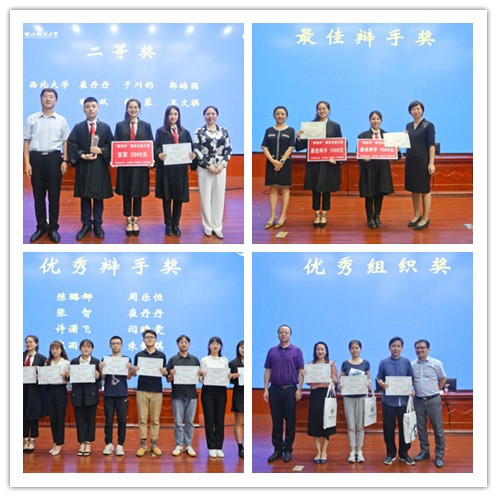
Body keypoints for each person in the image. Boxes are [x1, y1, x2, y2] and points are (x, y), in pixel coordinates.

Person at [23, 88, 70, 243]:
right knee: (38, 195)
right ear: (40, 99)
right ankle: (41, 226)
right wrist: (27, 163)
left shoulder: (61, 120)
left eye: (51, 97)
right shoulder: (32, 119)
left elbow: (65, 142)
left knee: (54, 195)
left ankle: (53, 228)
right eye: (45, 96)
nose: (48, 99)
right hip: (36, 159)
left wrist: (65, 161)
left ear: (56, 100)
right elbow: (27, 142)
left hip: (54, 159)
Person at [68, 96, 114, 241]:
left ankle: (98, 225)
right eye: (87, 107)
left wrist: (101, 151)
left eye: (93, 106)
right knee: (85, 197)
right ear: (83, 110)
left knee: (98, 197)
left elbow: (111, 146)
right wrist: (81, 155)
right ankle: (86, 224)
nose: (91, 109)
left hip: (99, 167)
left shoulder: (105, 127)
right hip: (84, 166)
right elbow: (71, 144)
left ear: (98, 108)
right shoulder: (78, 127)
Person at [295, 101, 343, 228]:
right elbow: (301, 146)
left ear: (328, 110)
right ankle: (317, 214)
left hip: (328, 163)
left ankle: (324, 214)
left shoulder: (335, 126)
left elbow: (340, 144)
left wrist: (336, 159)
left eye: (324, 108)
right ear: (317, 111)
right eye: (319, 109)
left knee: (327, 190)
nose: (322, 111)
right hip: (314, 163)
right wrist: (299, 137)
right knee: (315, 189)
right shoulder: (311, 126)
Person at [263, 324, 304, 463]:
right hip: (274, 390)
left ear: (290, 334)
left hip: (291, 390)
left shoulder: (297, 351)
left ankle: (288, 449)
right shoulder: (272, 351)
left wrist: (299, 389)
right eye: (281, 332)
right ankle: (277, 449)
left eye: (286, 332)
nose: (283, 334)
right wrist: (265, 389)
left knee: (290, 422)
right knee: (276, 421)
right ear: (278, 334)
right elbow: (268, 370)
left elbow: (301, 371)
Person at [113, 98, 154, 236]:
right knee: (126, 192)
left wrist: (150, 160)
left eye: (135, 107)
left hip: (140, 167)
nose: (133, 110)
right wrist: (115, 159)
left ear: (139, 109)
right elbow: (116, 143)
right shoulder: (120, 125)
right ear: (127, 109)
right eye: (130, 107)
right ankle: (127, 219)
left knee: (138, 193)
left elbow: (151, 143)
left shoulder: (146, 126)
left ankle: (135, 219)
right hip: (125, 167)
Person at [154, 105, 196, 237]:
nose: (173, 117)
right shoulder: (160, 131)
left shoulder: (185, 132)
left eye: (175, 114)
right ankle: (168, 224)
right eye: (170, 114)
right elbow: (156, 147)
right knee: (167, 198)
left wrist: (192, 155)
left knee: (178, 198)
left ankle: (176, 224)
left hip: (180, 171)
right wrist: (159, 154)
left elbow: (191, 149)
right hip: (166, 171)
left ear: (178, 116)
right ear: (167, 116)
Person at [193, 105, 232, 239]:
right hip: (205, 168)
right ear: (204, 116)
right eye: (208, 114)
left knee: (219, 197)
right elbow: (196, 150)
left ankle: (217, 226)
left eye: (213, 113)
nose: (210, 116)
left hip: (220, 168)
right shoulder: (199, 131)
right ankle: (208, 226)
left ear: (217, 115)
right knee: (205, 197)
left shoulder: (223, 131)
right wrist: (208, 165)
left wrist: (222, 165)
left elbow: (228, 149)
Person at [376, 336, 415, 466]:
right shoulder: (383, 362)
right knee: (388, 428)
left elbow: (411, 379)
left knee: (405, 428)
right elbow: (379, 378)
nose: (396, 348)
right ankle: (390, 454)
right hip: (388, 401)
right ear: (389, 347)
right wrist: (382, 383)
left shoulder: (406, 362)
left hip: (404, 402)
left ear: (402, 348)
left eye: (398, 346)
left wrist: (411, 390)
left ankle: (404, 454)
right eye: (393, 346)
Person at [357, 111, 397, 229]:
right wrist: (363, 158)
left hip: (382, 169)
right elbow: (359, 155)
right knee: (369, 195)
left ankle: (377, 216)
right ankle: (370, 218)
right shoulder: (363, 136)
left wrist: (397, 150)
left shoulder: (387, 136)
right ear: (370, 120)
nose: (376, 121)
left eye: (378, 119)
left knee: (380, 194)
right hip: (369, 169)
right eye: (373, 119)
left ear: (381, 120)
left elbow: (395, 157)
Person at [411, 339, 447, 468]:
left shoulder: (436, 363)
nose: (419, 350)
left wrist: (435, 390)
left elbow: (443, 378)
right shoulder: (412, 365)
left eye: (422, 347)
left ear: (428, 349)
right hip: (418, 400)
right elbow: (411, 381)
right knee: (421, 429)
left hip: (433, 400)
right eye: (417, 348)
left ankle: (439, 455)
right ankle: (424, 451)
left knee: (438, 429)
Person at [132, 329, 167, 457]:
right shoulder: (139, 355)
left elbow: (165, 373)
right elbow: (134, 374)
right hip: (142, 390)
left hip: (157, 391)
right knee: (142, 419)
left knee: (155, 420)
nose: (149, 339)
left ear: (155, 339)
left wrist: (165, 372)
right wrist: (134, 370)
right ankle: (143, 445)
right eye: (147, 337)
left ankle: (154, 445)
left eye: (151, 337)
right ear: (144, 340)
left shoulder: (161, 355)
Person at [166, 334, 201, 458]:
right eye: (181, 342)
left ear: (189, 344)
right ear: (177, 344)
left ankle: (189, 445)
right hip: (177, 394)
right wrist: (171, 374)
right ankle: (179, 445)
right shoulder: (172, 360)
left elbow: (199, 379)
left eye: (186, 342)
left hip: (192, 394)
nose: (183, 344)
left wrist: (200, 374)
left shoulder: (195, 360)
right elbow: (168, 379)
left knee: (190, 422)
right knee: (178, 422)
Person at [261, 106, 295, 230]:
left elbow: (291, 147)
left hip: (284, 164)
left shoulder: (290, 130)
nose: (280, 116)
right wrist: (273, 161)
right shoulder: (269, 130)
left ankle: (283, 215)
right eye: (277, 114)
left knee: (285, 188)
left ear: (286, 116)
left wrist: (281, 161)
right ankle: (272, 215)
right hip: (271, 163)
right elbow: (264, 147)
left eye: (282, 114)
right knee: (273, 188)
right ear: (274, 115)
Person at [404, 100, 436, 230]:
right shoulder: (409, 125)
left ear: (422, 110)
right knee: (414, 189)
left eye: (418, 108)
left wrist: (431, 163)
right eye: (413, 109)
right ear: (410, 112)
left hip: (423, 162)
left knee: (424, 190)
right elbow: (403, 140)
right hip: (411, 161)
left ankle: (425, 217)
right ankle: (417, 215)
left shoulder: (428, 125)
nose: (416, 111)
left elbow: (431, 145)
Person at [305, 341, 338, 464]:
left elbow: (336, 380)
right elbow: (308, 382)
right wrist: (307, 376)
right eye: (318, 349)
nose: (320, 352)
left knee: (326, 423)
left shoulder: (331, 364)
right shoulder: (311, 365)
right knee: (316, 423)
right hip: (315, 395)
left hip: (327, 395)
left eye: (322, 349)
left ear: (326, 351)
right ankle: (318, 452)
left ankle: (324, 451)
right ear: (315, 351)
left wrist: (333, 379)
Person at [100, 336, 132, 456]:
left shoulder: (126, 359)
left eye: (118, 343)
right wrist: (101, 368)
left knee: (122, 420)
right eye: (113, 343)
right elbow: (103, 378)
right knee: (108, 420)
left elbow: (128, 377)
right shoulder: (106, 359)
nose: (115, 345)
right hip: (109, 393)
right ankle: (108, 443)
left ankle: (120, 444)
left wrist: (129, 369)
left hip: (122, 393)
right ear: (110, 346)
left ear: (121, 345)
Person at [340, 339, 371, 463]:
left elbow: (368, 380)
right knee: (351, 426)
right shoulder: (345, 364)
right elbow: (340, 380)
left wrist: (368, 383)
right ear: (349, 350)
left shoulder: (366, 363)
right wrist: (340, 385)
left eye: (357, 348)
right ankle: (352, 451)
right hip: (348, 397)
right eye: (352, 348)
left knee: (360, 426)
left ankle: (360, 450)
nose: (355, 350)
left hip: (362, 397)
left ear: (360, 349)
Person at [68, 339, 101, 456]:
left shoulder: (96, 361)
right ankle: (81, 442)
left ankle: (88, 443)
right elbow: (71, 379)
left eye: (88, 346)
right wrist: (68, 375)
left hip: (91, 395)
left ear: (92, 349)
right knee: (79, 420)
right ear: (80, 348)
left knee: (91, 420)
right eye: (83, 346)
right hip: (78, 395)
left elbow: (100, 381)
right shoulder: (74, 361)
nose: (86, 349)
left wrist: (98, 376)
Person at [199, 336, 231, 458]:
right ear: (209, 346)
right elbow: (200, 379)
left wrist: (228, 376)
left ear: (221, 346)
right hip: (208, 390)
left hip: (221, 391)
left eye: (218, 343)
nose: (215, 346)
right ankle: (211, 446)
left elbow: (227, 377)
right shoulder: (204, 360)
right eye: (212, 343)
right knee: (209, 419)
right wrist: (202, 375)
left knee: (220, 419)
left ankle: (219, 446)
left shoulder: (224, 360)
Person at [44, 340, 70, 456]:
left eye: (57, 348)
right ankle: (55, 442)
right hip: (49, 391)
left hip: (60, 391)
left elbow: (69, 380)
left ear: (61, 350)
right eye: (52, 349)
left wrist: (66, 376)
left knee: (60, 418)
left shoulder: (66, 363)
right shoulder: (47, 362)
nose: (54, 351)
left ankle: (59, 443)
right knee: (53, 419)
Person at [23, 335, 47, 452]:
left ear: (36, 344)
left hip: (35, 390)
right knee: (22, 414)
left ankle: (32, 439)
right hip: (22, 389)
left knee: (33, 414)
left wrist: (39, 372)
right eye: (27, 342)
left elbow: (47, 375)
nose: (28, 344)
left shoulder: (42, 358)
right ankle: (25, 439)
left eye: (31, 342)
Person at [229, 340, 244, 458]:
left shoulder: (253, 362)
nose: (244, 350)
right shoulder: (233, 363)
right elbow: (229, 380)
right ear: (238, 349)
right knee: (238, 422)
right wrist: (232, 376)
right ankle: (240, 447)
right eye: (242, 347)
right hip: (239, 393)